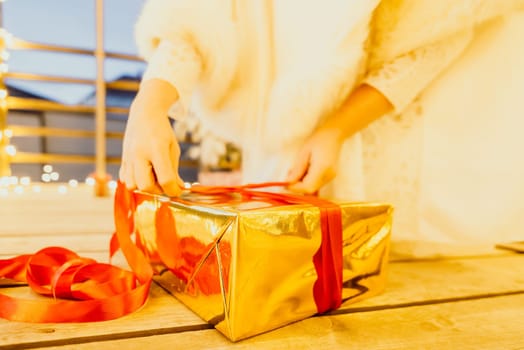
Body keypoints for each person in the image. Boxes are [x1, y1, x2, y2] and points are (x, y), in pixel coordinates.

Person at [120, 0, 524, 256]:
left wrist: (336, 129)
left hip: (395, 139)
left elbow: (439, 29)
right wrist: (149, 104)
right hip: (289, 155)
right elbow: (194, 20)